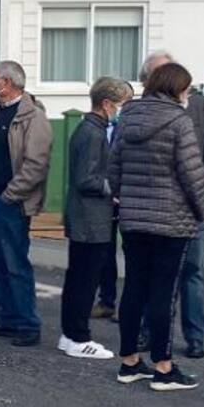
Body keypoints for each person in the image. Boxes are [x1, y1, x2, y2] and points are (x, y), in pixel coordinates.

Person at [109, 62, 204, 391]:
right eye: (187, 89)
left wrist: (126, 198)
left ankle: (129, 362)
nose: (188, 95)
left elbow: (114, 168)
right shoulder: (179, 121)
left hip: (134, 221)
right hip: (171, 221)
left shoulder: (128, 116)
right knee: (163, 294)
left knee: (134, 287)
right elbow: (193, 176)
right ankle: (164, 367)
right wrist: (200, 212)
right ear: (176, 88)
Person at [135, 51, 204, 359]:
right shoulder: (143, 111)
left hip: (192, 202)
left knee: (191, 272)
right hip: (158, 206)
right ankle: (151, 333)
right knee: (153, 273)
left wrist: (202, 181)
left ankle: (194, 336)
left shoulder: (198, 106)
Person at [0, 61, 52, 348]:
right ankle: (6, 319)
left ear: (6, 83)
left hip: (10, 203)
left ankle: (27, 324)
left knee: (15, 264)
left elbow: (35, 165)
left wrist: (10, 195)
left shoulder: (33, 117)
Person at [59, 77, 131, 360]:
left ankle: (70, 334)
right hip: (91, 219)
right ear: (107, 103)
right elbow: (86, 179)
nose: (123, 110)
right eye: (123, 103)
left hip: (87, 217)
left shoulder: (89, 129)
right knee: (85, 279)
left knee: (78, 277)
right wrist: (113, 189)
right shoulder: (93, 133)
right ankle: (78, 336)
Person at [91, 80, 134, 322]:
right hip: (103, 198)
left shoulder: (129, 128)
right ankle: (105, 300)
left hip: (125, 196)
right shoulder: (96, 127)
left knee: (130, 254)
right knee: (105, 253)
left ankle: (124, 304)